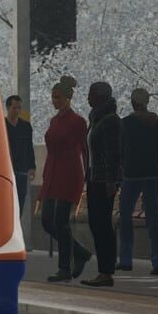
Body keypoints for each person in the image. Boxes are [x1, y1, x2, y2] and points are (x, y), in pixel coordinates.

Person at [117, 87, 158, 275]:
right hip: (152, 174)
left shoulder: (124, 124)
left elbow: (118, 151)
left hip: (131, 175)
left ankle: (126, 260)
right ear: (148, 102)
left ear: (133, 103)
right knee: (153, 219)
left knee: (125, 217)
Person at [39, 77, 90, 282]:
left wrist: (88, 174)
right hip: (52, 174)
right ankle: (80, 253)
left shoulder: (78, 122)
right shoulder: (54, 121)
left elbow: (85, 150)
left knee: (61, 222)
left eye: (58, 97)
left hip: (69, 174)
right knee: (47, 221)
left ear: (68, 98)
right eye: (52, 97)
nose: (54, 101)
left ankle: (64, 267)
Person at [82, 80, 123, 287]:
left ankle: (106, 272)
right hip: (93, 178)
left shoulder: (110, 121)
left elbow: (113, 153)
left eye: (91, 94)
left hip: (103, 181)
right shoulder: (97, 119)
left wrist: (111, 181)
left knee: (102, 225)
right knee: (96, 224)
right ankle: (104, 270)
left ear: (101, 96)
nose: (87, 97)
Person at [5, 95, 36, 219]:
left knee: (20, 204)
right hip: (8, 170)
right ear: (8, 108)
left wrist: (32, 167)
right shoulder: (2, 125)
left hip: (22, 170)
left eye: (19, 108)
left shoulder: (25, 126)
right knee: (7, 203)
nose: (17, 111)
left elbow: (29, 147)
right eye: (14, 108)